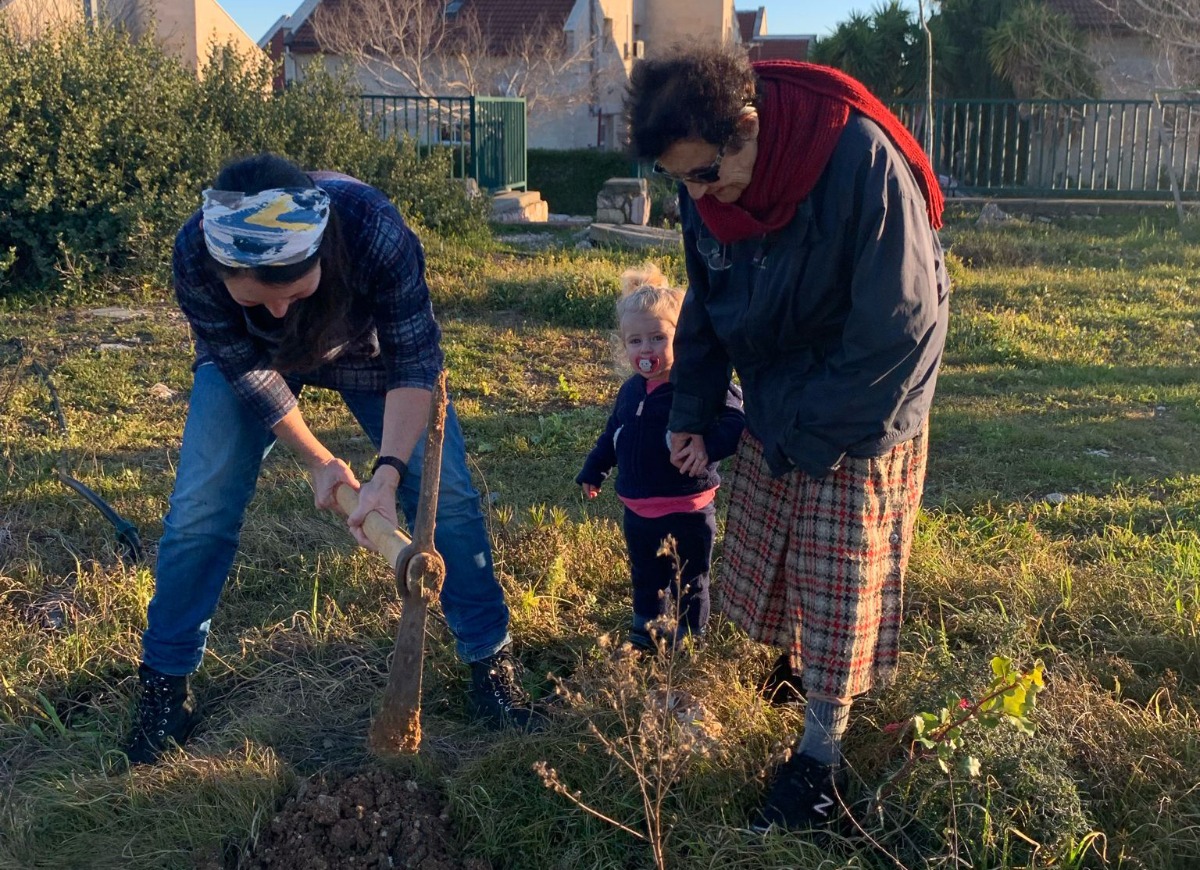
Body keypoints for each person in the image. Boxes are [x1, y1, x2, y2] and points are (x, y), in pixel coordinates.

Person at [123, 153, 542, 766]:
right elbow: (243, 369)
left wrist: (388, 470)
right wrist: (322, 461)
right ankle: (164, 683)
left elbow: (415, 361)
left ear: (321, 255)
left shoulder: (375, 233)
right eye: (257, 299)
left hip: (372, 356)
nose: (279, 312)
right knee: (200, 506)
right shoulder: (196, 253)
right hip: (260, 365)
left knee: (445, 496)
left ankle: (490, 661)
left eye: (293, 292)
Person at [626, 46, 950, 832]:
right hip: (780, 388)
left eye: (706, 174)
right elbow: (705, 303)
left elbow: (900, 331)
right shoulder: (703, 190)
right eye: (682, 182)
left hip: (865, 400)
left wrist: (805, 438)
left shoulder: (855, 160)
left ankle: (820, 762)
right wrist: (691, 414)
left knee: (838, 575)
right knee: (774, 550)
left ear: (748, 127)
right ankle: (793, 670)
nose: (699, 194)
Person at [576, 264, 744, 651]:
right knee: (646, 575)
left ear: (681, 339)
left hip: (688, 508)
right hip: (638, 511)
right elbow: (612, 435)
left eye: (657, 338)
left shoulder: (698, 387)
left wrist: (707, 447)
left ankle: (690, 636)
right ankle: (647, 632)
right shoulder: (630, 392)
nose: (646, 349)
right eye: (635, 341)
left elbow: (737, 420)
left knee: (691, 577)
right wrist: (594, 469)